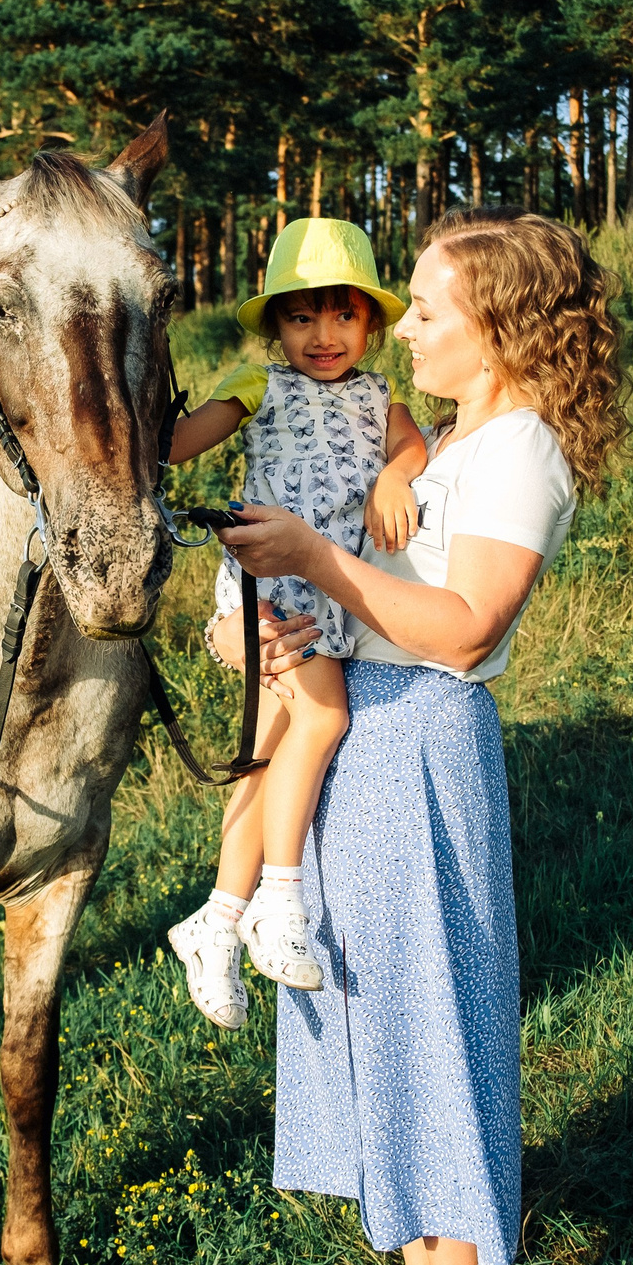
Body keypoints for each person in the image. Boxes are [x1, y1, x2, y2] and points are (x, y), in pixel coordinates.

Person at [215, 209, 625, 1265]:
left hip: (422, 740)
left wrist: (315, 561)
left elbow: (467, 625)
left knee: (430, 1024)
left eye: (433, 308)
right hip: (365, 726)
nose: (414, 325)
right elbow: (395, 582)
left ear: (496, 329)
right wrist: (299, 621)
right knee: (369, 1008)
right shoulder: (453, 440)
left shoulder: (520, 453)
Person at [163, 219, 428, 1028]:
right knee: (326, 714)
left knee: (268, 753)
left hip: (329, 600)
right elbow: (176, 446)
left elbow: (413, 448)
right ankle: (280, 902)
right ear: (276, 326)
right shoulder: (257, 386)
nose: (323, 335)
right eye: (302, 317)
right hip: (266, 595)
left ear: (370, 324)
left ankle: (214, 917)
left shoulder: (382, 400)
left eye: (343, 315)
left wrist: (394, 477)